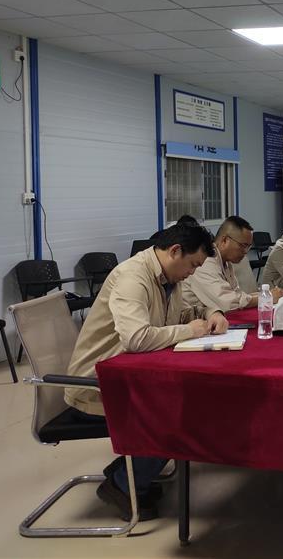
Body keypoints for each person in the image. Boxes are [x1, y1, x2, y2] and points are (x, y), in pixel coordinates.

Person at [64, 222, 229, 521]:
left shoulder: (170, 277)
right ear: (175, 251)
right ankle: (121, 484)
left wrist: (212, 313)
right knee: (180, 411)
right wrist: (189, 331)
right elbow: (136, 338)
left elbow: (188, 310)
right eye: (193, 265)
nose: (193, 273)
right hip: (97, 386)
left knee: (191, 400)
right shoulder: (133, 277)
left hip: (130, 379)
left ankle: (129, 472)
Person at [182, 215, 281, 311]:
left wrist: (266, 294)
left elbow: (236, 294)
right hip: (194, 320)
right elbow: (228, 303)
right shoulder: (205, 260)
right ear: (225, 240)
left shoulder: (226, 261)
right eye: (243, 245)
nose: (246, 252)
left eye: (248, 247)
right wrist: (267, 297)